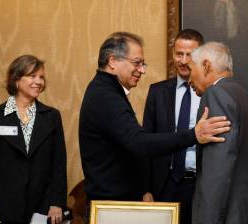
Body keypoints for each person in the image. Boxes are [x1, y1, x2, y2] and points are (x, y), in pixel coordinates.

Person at [78, 32, 231, 218]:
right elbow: (139, 142)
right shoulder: (105, 96)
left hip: (120, 203)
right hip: (112, 206)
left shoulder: (107, 91)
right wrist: (194, 135)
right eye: (136, 63)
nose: (142, 70)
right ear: (112, 61)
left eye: (142, 64)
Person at [0, 55, 67, 224]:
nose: (39, 81)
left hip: (42, 205)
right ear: (16, 79)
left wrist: (56, 202)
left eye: (41, 77)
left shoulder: (52, 116)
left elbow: (58, 165)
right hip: (5, 206)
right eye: (32, 76)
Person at [188, 42, 248, 224]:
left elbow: (217, 168)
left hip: (227, 215)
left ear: (206, 66)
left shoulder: (215, 94)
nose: (189, 79)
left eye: (190, 69)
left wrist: (207, 219)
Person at [142, 29, 203, 224]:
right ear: (173, 54)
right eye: (179, 54)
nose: (183, 61)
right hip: (164, 184)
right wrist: (146, 189)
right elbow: (146, 144)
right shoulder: (157, 92)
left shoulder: (211, 94)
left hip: (201, 186)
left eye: (190, 55)